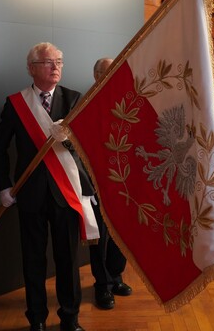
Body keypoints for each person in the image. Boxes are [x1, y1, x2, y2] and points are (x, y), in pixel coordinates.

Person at [0, 42, 96, 331]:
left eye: (59, 62)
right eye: (49, 62)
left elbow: (87, 145)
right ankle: (36, 318)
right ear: (31, 68)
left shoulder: (73, 98)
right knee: (33, 260)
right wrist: (3, 187)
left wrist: (69, 140)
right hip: (30, 194)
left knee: (68, 260)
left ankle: (70, 318)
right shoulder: (16, 103)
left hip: (66, 192)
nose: (55, 67)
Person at [88, 58, 132, 310]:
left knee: (120, 233)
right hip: (97, 180)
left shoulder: (124, 100)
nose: (112, 75)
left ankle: (116, 277)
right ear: (96, 75)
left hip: (123, 179)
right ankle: (102, 285)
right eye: (107, 71)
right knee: (100, 237)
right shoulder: (86, 103)